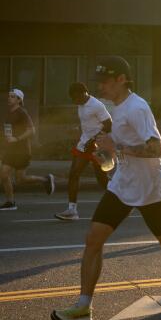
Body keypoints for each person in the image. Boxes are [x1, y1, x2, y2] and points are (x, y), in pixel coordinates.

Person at [51, 57, 161, 320]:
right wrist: (105, 153)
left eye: (106, 81)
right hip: (123, 181)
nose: (102, 87)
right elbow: (116, 153)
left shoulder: (136, 107)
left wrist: (118, 148)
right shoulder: (114, 107)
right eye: (100, 82)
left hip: (148, 184)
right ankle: (84, 307)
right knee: (94, 239)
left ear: (121, 79)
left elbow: (157, 148)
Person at [55, 83, 112, 221]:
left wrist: (93, 140)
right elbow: (88, 124)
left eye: (75, 98)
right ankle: (72, 210)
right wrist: (77, 129)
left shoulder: (97, 105)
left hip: (99, 146)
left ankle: (125, 199)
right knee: (74, 174)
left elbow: (109, 124)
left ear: (84, 93)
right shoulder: (81, 104)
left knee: (102, 180)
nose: (75, 101)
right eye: (73, 99)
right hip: (84, 144)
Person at [1, 88, 55, 210]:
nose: (9, 98)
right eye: (9, 96)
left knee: (21, 179)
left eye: (13, 96)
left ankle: (45, 179)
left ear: (19, 100)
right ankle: (10, 202)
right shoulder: (10, 112)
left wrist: (17, 138)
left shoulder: (22, 112)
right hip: (11, 150)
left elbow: (32, 130)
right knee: (4, 175)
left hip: (22, 150)